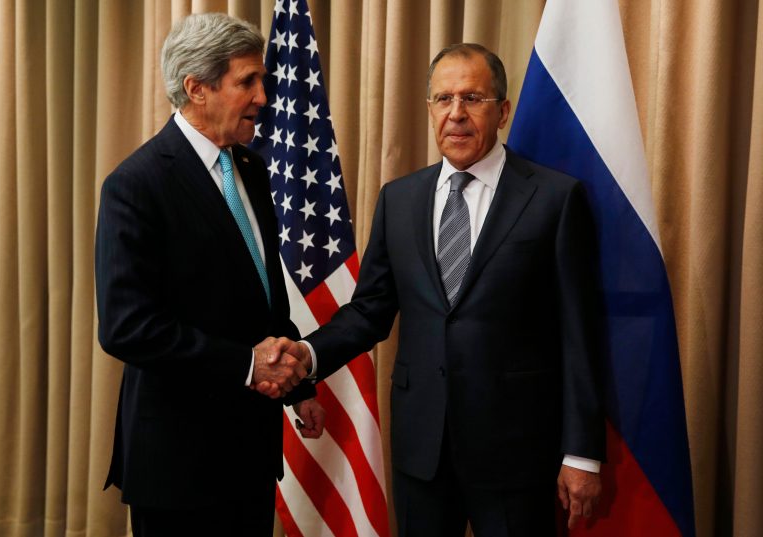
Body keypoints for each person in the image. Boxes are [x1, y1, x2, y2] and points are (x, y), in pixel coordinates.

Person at [258, 43, 605, 536]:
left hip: (516, 452)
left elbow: (580, 334)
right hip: (423, 451)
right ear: (429, 109)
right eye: (443, 99)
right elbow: (370, 310)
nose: (456, 114)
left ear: (502, 111)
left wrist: (582, 453)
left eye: (473, 99)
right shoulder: (400, 199)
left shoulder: (555, 198)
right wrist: (307, 355)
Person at [94, 13, 323, 537]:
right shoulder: (136, 184)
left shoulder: (251, 169)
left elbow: (263, 300)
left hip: (249, 450)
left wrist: (295, 387)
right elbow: (126, 327)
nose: (264, 97)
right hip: (177, 462)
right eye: (248, 81)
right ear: (197, 88)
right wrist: (247, 365)